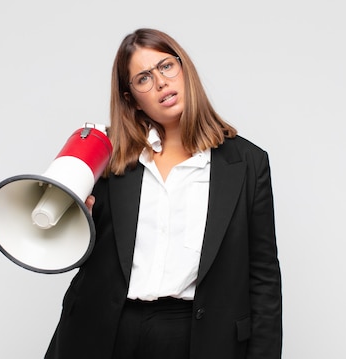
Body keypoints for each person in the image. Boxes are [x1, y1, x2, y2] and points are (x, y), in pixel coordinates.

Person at [45, 28, 282, 359]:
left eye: (166, 66)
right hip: (104, 331)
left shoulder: (247, 163)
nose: (160, 83)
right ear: (131, 98)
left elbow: (263, 277)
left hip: (194, 337)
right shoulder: (108, 156)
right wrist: (74, 219)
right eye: (143, 78)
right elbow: (70, 253)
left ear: (184, 69)